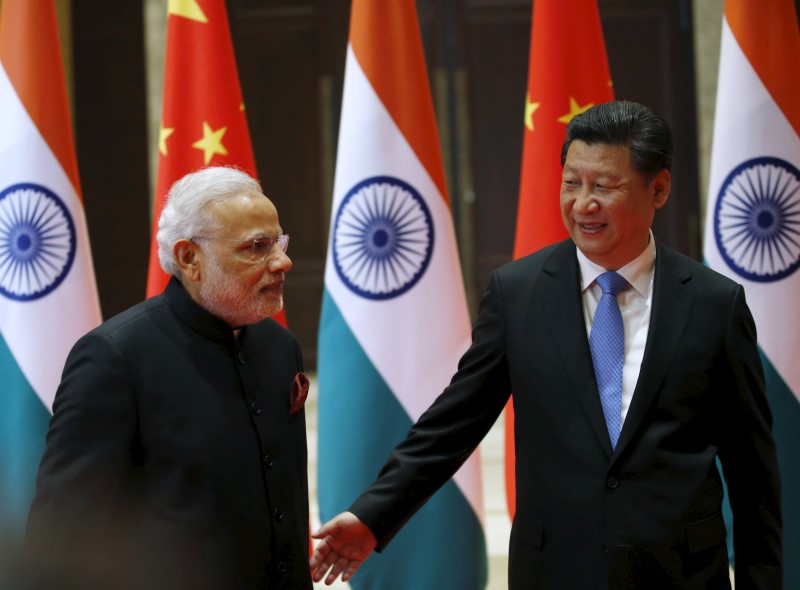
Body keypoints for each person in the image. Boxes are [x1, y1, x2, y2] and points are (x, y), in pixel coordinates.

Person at [309, 101, 783, 589]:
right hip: (555, 570)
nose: (583, 204)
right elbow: (452, 425)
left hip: (679, 573)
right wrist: (373, 516)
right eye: (571, 183)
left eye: (604, 186)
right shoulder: (518, 294)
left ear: (657, 188)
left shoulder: (713, 304)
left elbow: (753, 474)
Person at [25, 166, 313, 589]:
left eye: (279, 242)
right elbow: (63, 533)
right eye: (257, 247)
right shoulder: (115, 357)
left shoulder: (279, 346)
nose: (283, 261)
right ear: (189, 258)